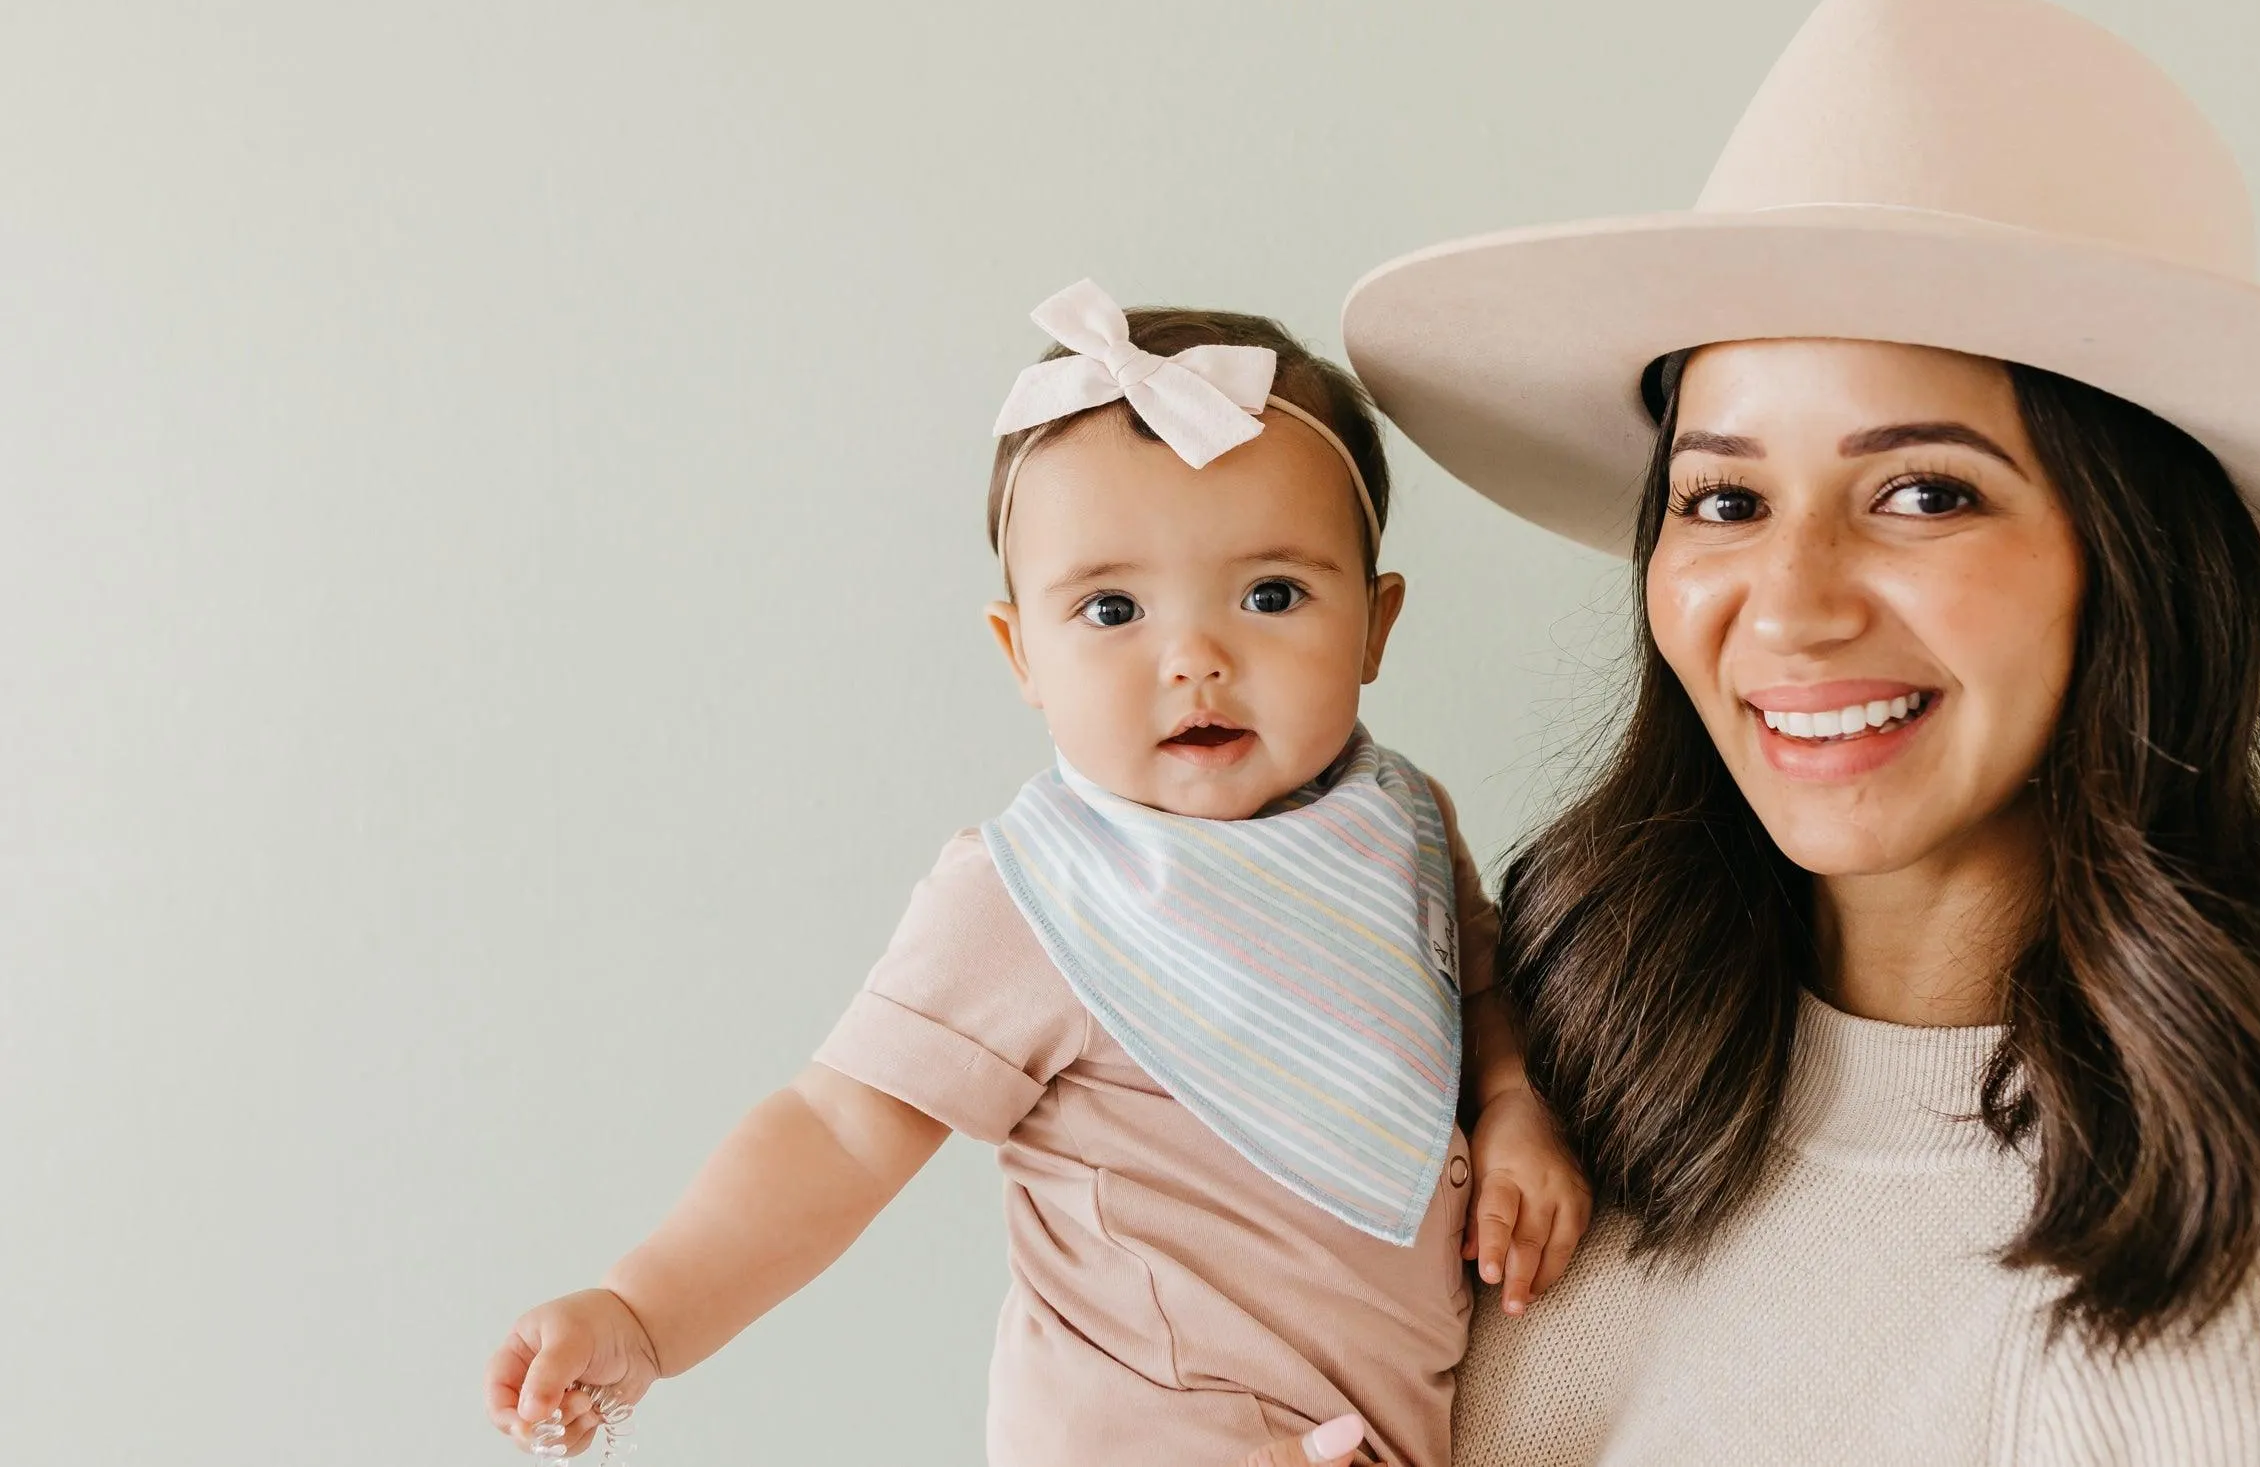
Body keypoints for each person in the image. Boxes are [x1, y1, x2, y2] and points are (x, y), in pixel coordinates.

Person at [1172, 0, 2260, 1466]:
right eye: (1724, 498)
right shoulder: (1530, 1052)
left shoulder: (2214, 1308)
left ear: (2129, 570)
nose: (1790, 604)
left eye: (1925, 492)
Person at [482, 280, 1591, 1467]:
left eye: (1271, 593)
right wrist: (646, 1312)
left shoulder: (1401, 821)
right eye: (1111, 607)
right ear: (1023, 651)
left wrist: (1516, 1101)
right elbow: (839, 1125)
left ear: (1374, 625)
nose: (1195, 658)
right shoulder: (1035, 893)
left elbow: (1473, 999)